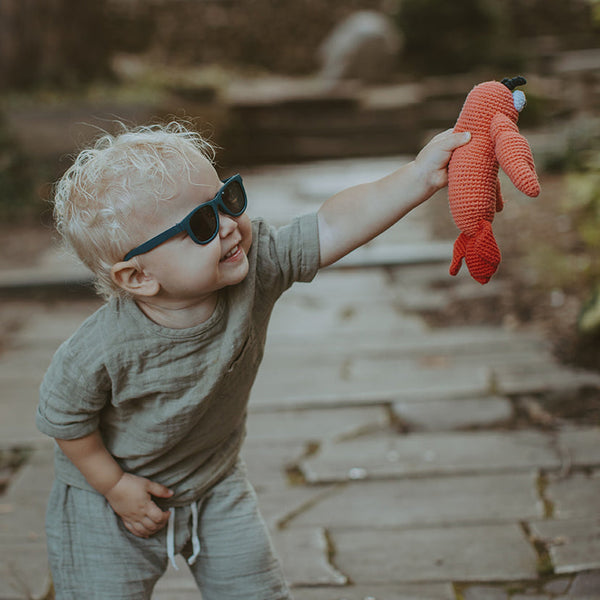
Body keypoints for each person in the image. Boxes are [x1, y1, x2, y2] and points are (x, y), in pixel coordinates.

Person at [36, 121, 470, 599]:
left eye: (228, 199)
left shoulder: (257, 264)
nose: (226, 224)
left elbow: (331, 225)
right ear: (138, 277)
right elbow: (65, 418)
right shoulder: (101, 347)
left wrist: (419, 176)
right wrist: (114, 485)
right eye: (200, 224)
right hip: (109, 504)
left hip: (213, 478)